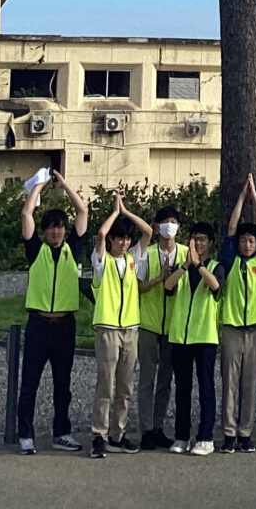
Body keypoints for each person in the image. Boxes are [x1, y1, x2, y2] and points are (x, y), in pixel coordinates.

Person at [15, 170, 89, 455]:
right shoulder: (36, 250)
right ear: (45, 231)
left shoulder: (73, 248)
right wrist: (39, 187)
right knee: (30, 384)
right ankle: (25, 435)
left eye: (60, 227)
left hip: (65, 325)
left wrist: (65, 185)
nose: (56, 232)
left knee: (63, 385)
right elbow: (26, 214)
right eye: (51, 228)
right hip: (38, 324)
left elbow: (82, 211)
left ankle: (62, 433)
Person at [88, 191, 154, 457]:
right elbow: (101, 234)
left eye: (127, 239)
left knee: (125, 386)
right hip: (108, 328)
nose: (125, 243)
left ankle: (118, 434)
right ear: (112, 240)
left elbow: (148, 232)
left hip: (130, 329)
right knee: (106, 385)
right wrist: (114, 213)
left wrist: (126, 212)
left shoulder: (132, 259)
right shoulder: (101, 261)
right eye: (120, 238)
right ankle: (99, 435)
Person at [216, 172, 256, 453]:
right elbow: (230, 227)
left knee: (250, 384)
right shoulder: (231, 259)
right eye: (244, 240)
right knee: (230, 384)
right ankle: (229, 432)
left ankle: (245, 432)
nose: (247, 244)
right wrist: (242, 197)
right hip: (232, 329)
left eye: (251, 241)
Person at [165, 220, 221, 456]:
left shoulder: (216, 266)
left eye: (203, 239)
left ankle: (206, 437)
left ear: (210, 243)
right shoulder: (182, 267)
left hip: (205, 336)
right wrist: (186, 265)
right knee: (182, 389)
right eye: (195, 239)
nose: (198, 243)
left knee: (206, 388)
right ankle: (182, 436)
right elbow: (168, 286)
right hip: (180, 337)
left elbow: (215, 286)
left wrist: (198, 265)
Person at [137, 203, 186, 449]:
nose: (169, 226)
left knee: (165, 381)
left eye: (173, 222)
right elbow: (138, 287)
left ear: (179, 227)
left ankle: (158, 427)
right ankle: (146, 429)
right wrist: (159, 279)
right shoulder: (147, 253)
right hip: (149, 323)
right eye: (165, 222)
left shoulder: (186, 253)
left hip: (173, 326)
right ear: (157, 227)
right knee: (147, 379)